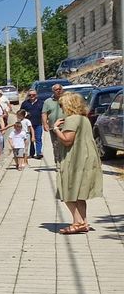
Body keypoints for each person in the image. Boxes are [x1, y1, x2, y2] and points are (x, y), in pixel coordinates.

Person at [53, 92, 104, 234]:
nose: (61, 108)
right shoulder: (84, 119)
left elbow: (67, 140)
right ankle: (84, 222)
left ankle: (78, 222)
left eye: (62, 105)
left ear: (68, 105)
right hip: (86, 157)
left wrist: (56, 129)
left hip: (75, 159)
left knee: (67, 190)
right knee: (79, 193)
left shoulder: (71, 120)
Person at [43, 83, 67, 167]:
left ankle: (66, 161)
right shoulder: (48, 101)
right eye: (56, 89)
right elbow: (44, 113)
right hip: (54, 127)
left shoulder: (66, 99)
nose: (58, 91)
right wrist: (45, 123)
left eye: (60, 89)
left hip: (67, 126)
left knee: (66, 144)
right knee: (56, 145)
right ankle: (58, 162)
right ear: (53, 91)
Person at [20, 88, 45, 159]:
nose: (32, 96)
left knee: (38, 138)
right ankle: (31, 153)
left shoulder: (41, 103)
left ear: (36, 95)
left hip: (38, 123)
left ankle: (39, 153)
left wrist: (45, 122)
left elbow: (44, 113)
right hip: (28, 125)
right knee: (30, 139)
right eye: (30, 95)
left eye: (33, 95)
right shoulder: (25, 103)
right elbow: (20, 113)